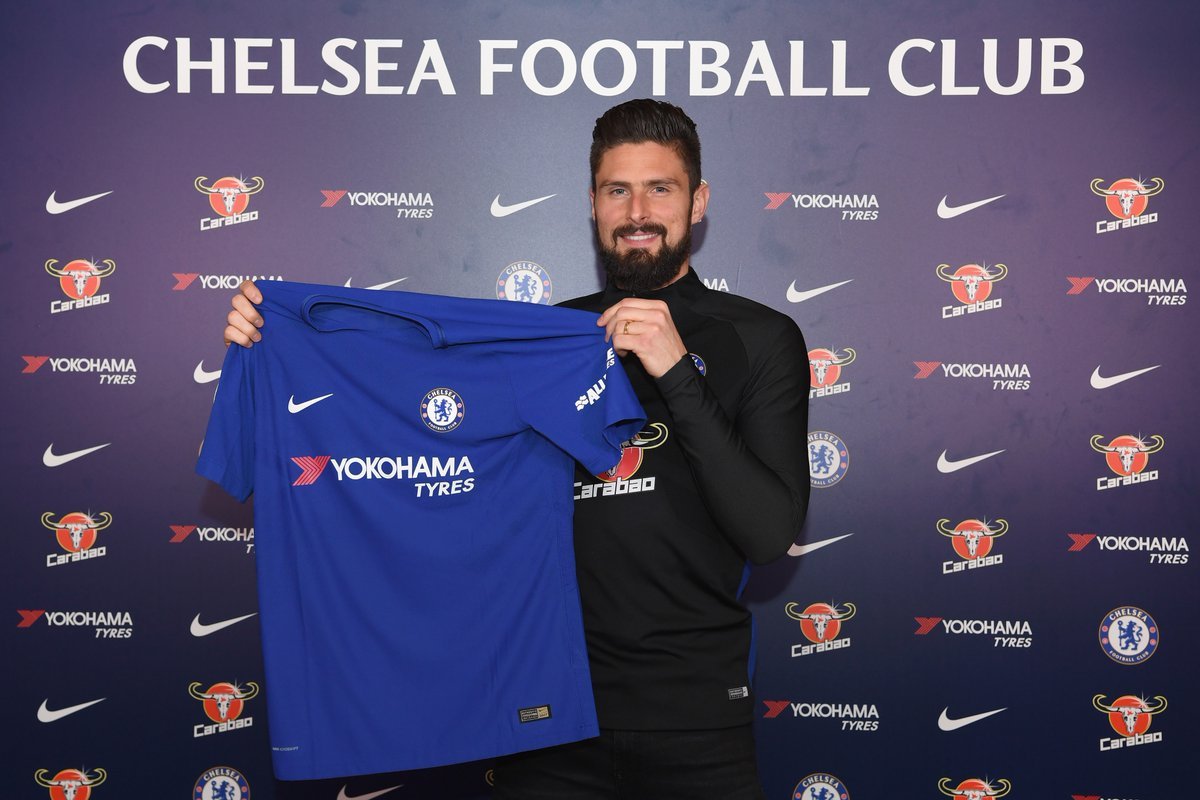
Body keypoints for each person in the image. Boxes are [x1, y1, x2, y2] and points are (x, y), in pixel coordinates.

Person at [223, 99, 809, 799]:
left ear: (699, 201)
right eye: (617, 190)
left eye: (661, 188)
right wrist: (279, 343)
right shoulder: (542, 340)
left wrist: (676, 370)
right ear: (592, 205)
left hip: (699, 723)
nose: (637, 212)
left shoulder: (759, 339)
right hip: (547, 720)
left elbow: (768, 533)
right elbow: (404, 405)